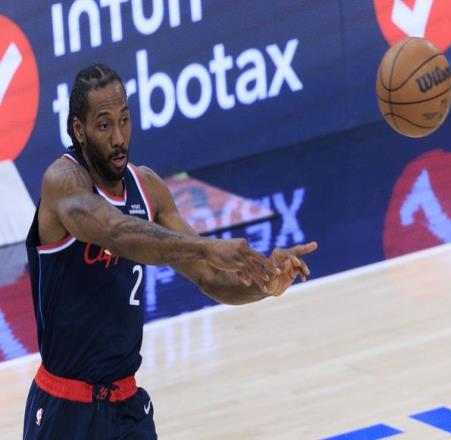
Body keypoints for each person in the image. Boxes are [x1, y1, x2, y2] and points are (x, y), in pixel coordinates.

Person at [23, 64, 317, 439]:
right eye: (104, 125)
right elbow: (116, 232)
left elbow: (209, 276)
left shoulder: (147, 188)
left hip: (126, 408)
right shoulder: (62, 182)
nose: (119, 137)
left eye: (124, 120)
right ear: (79, 130)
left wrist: (264, 285)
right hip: (65, 409)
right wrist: (207, 245)